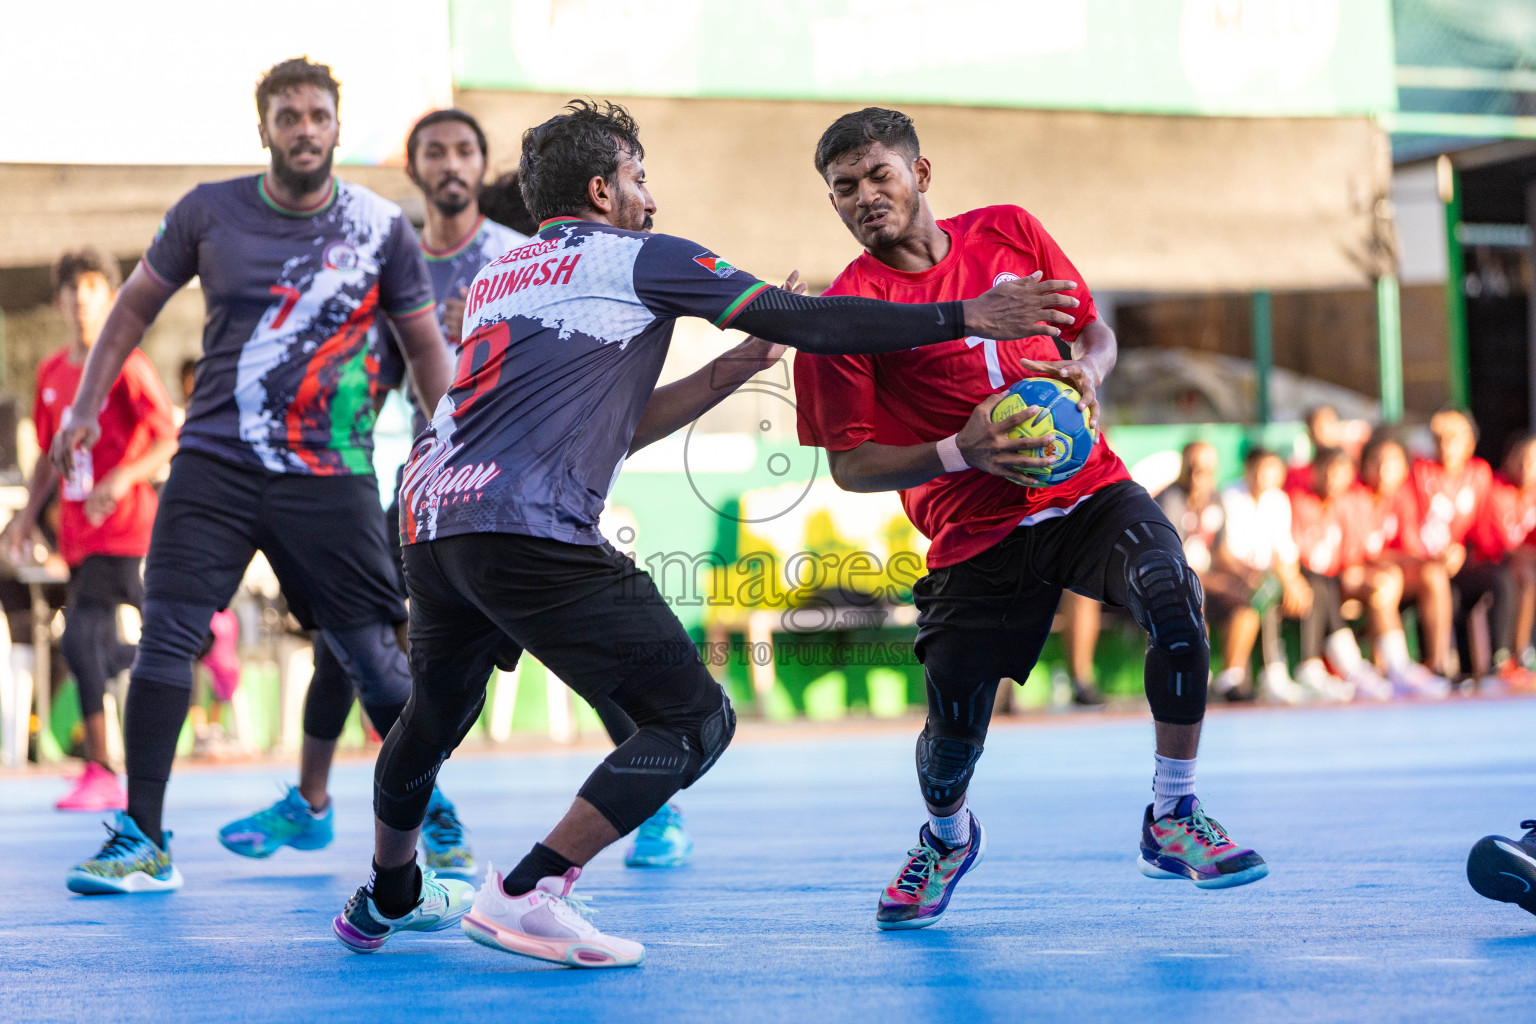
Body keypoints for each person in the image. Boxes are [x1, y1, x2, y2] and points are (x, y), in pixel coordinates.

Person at [332, 99, 1076, 964]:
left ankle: (388, 894)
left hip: (432, 519)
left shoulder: (505, 273)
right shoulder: (646, 256)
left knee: (435, 713)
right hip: (527, 530)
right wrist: (968, 315)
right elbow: (816, 322)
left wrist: (729, 369)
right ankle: (532, 890)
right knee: (693, 721)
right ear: (604, 188)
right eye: (641, 179)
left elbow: (612, 426)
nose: (652, 199)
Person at [792, 107, 1267, 934]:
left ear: (922, 175)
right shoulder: (848, 313)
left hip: (1089, 491)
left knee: (1173, 597)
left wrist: (1091, 366)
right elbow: (850, 465)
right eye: (844, 189)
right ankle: (945, 838)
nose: (865, 197)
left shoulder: (1009, 232)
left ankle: (1174, 812)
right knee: (952, 737)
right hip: (975, 533)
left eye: (880, 175)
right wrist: (960, 450)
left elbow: (1094, 330)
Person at [55, 58, 454, 896]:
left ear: (337, 129)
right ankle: (144, 840)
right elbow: (132, 308)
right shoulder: (207, 211)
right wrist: (85, 404)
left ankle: (432, 825)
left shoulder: (382, 229)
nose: (304, 128)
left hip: (329, 469)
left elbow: (423, 350)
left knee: (372, 658)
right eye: (287, 115)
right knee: (166, 633)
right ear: (264, 127)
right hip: (215, 464)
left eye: (317, 115)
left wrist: (451, 441)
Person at [2, 249, 178, 811]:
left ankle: (102, 767)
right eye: (71, 288)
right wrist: (25, 521)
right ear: (57, 300)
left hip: (125, 530)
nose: (81, 297)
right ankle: (189, 645)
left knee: (79, 638)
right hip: (79, 535)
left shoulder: (127, 363)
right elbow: (50, 458)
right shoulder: (53, 372)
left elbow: (166, 437)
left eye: (93, 286)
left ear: (110, 296)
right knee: (117, 643)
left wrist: (123, 478)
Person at [1292, 448, 1447, 699]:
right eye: (1328, 472)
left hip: (1341, 578)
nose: (1333, 478)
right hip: (1327, 580)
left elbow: (1363, 551)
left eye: (1340, 472)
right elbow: (1343, 556)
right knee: (1351, 585)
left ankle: (1398, 666)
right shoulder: (1311, 502)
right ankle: (1366, 668)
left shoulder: (1347, 503)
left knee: (1384, 583)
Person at [1416, 409, 1529, 689]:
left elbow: (1485, 527)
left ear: (1469, 443)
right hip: (1426, 563)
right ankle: (1439, 668)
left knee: (1501, 579)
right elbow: (1411, 524)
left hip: (1464, 561)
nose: (1445, 445)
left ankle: (1500, 663)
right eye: (1439, 438)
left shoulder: (1479, 473)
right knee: (1436, 583)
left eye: (1453, 438)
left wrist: (1463, 550)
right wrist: (1436, 555)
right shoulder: (1420, 472)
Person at [1210, 448, 1317, 700]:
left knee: (1309, 590)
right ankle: (1270, 673)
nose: (1262, 476)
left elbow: (1283, 552)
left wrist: (1293, 581)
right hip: (1234, 577)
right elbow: (1223, 554)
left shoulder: (1279, 500)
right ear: (1246, 470)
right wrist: (1259, 575)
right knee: (1264, 591)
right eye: (1257, 469)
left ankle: (1310, 668)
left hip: (1266, 575)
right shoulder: (1228, 497)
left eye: (1269, 469)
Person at [1358, 432, 1456, 681]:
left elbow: (1409, 548)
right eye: (1377, 462)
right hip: (1358, 575)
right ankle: (1396, 667)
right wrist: (1398, 561)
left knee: (1433, 573)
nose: (1383, 470)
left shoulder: (1402, 497)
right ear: (1365, 464)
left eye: (1391, 463)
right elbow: (1360, 553)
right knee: (1386, 581)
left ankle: (1438, 665)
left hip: (1395, 571)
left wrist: (1435, 559)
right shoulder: (1356, 497)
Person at [1465, 434, 1536, 689]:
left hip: (1520, 568)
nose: (1527, 466)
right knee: (1521, 574)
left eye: (1532, 460)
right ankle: (1509, 657)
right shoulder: (1496, 490)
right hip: (1486, 566)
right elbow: (1502, 547)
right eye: (1521, 458)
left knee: (1527, 572)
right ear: (1508, 459)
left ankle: (1522, 654)